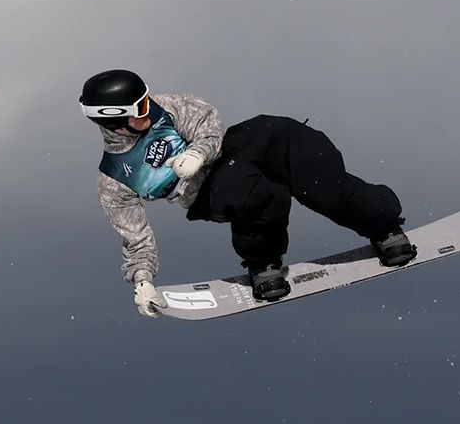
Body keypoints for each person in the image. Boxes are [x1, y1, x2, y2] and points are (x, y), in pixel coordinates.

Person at [80, 69, 417, 317]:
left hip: (234, 147)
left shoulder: (166, 108)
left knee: (292, 145)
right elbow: (135, 238)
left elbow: (207, 120)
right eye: (138, 109)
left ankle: (383, 227)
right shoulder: (115, 177)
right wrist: (143, 282)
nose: (148, 110)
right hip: (210, 190)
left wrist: (198, 153)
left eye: (146, 100)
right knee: (256, 195)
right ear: (113, 121)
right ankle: (264, 264)